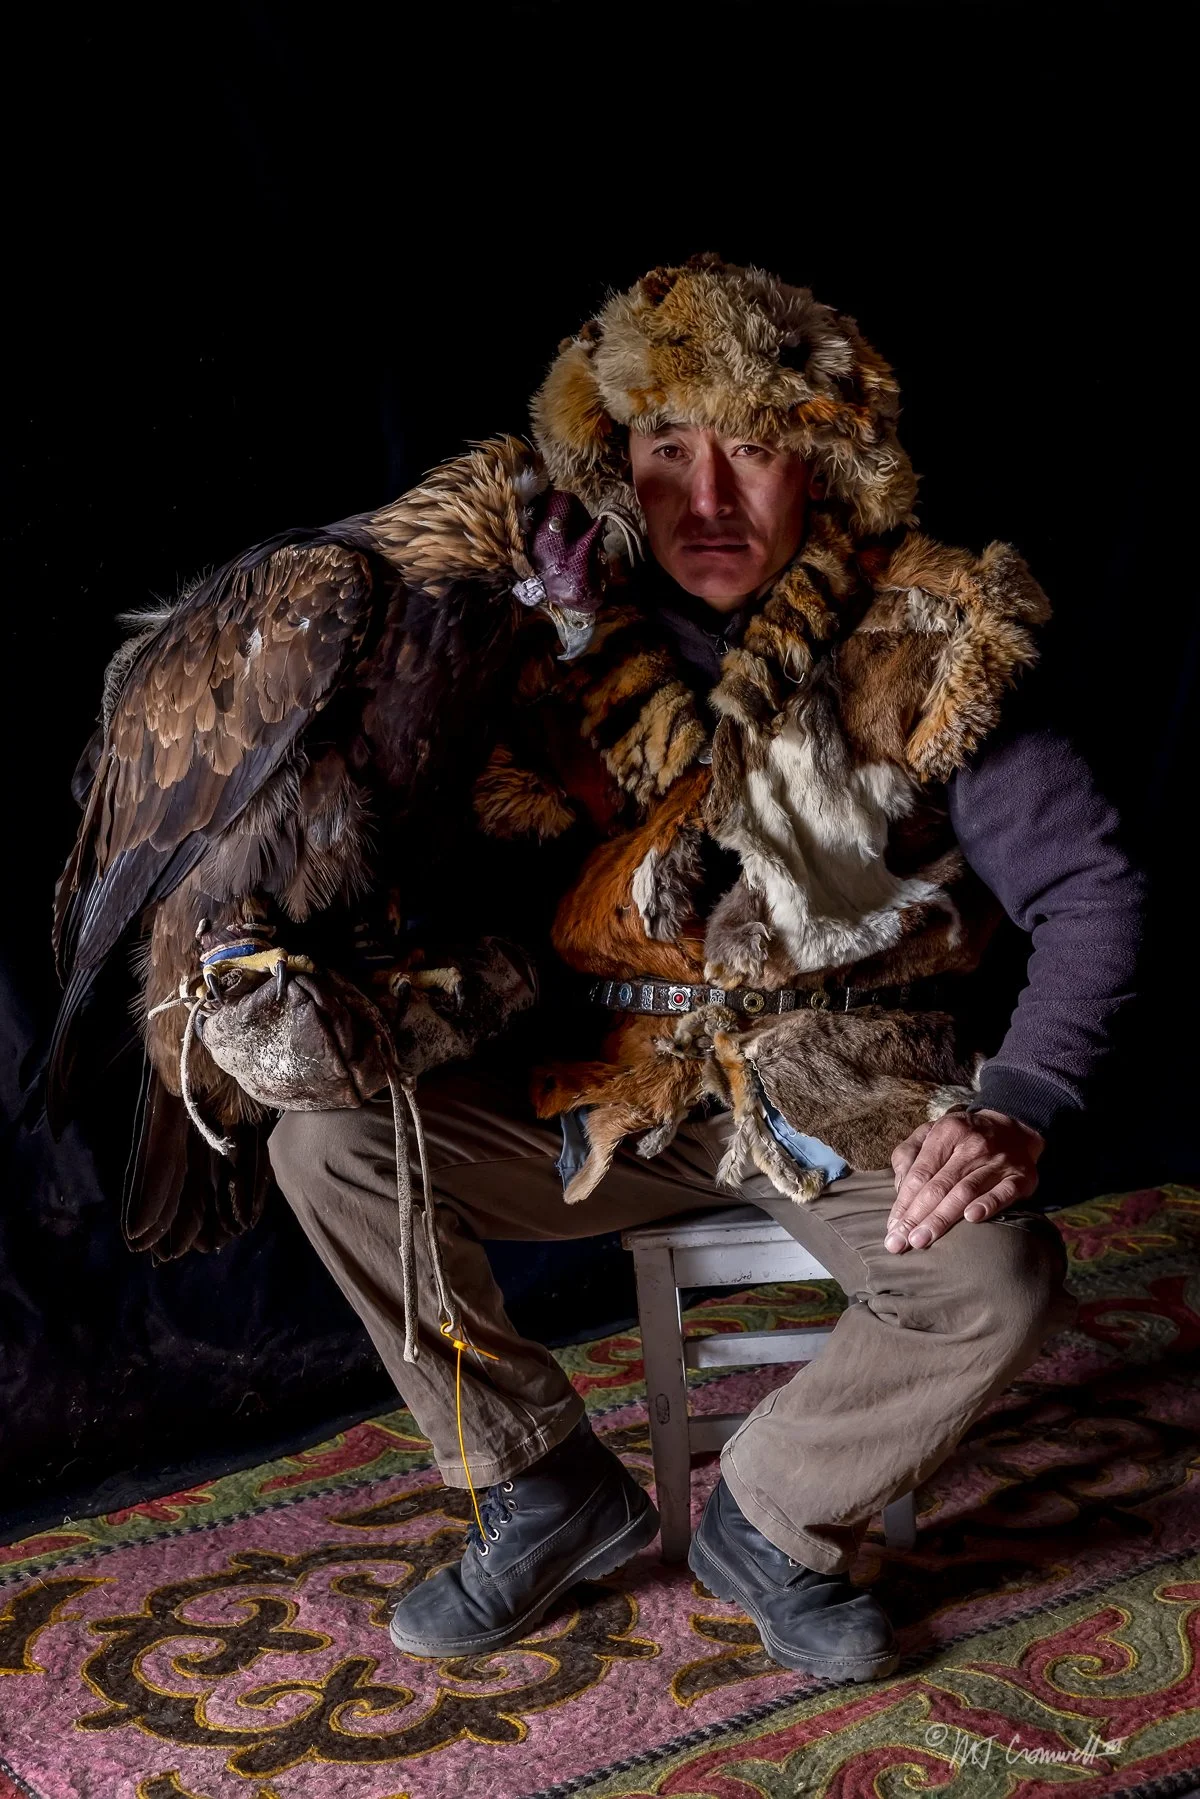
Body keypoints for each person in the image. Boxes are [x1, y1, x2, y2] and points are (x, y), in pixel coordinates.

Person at [263, 257, 1142, 1682]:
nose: (710, 498)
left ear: (825, 457)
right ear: (620, 464)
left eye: (753, 446)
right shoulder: (543, 641)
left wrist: (1015, 1097)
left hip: (847, 1089)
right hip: (607, 1080)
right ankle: (545, 1485)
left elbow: (1091, 890)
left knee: (1002, 1275)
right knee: (329, 1140)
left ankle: (773, 1514)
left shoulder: (932, 632)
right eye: (671, 450)